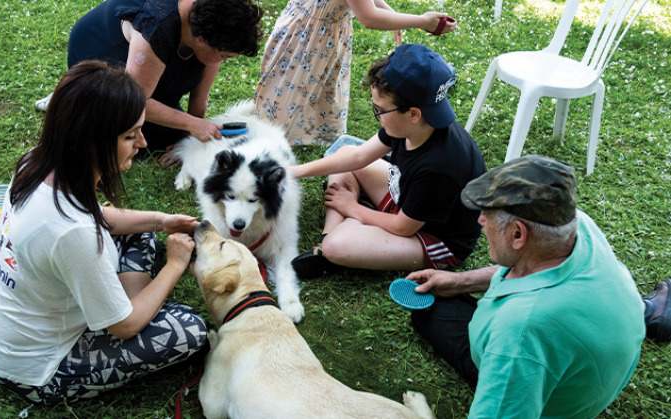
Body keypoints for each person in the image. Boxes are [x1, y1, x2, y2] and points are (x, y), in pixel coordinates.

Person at [0, 61, 208, 404]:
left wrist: (162, 219)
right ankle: (126, 303)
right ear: (91, 142)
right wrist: (174, 264)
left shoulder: (36, 162)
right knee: (189, 329)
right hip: (35, 370)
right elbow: (124, 329)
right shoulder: (72, 233)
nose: (142, 143)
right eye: (130, 135)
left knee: (143, 228)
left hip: (4, 324)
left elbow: (96, 215)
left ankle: (122, 301)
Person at [409, 155, 645, 418]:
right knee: (437, 299)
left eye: (487, 215)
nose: (480, 222)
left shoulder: (519, 331)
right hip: (586, 371)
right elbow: (525, 268)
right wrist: (458, 282)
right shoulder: (576, 227)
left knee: (428, 312)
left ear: (518, 234)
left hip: (547, 401)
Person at [290, 44, 485, 279]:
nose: (378, 116)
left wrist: (352, 208)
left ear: (413, 114)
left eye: (380, 110)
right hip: (405, 202)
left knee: (337, 245)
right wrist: (295, 171)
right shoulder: (414, 126)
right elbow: (358, 157)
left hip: (432, 237)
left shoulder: (439, 166)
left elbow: (403, 227)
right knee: (346, 154)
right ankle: (327, 243)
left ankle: (335, 244)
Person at [35, 0, 263, 165]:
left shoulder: (213, 28)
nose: (224, 61)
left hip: (147, 68)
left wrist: (190, 138)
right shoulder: (157, 25)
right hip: (103, 50)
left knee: (169, 136)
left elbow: (199, 97)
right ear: (202, 40)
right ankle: (77, 96)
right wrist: (192, 125)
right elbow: (136, 100)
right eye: (223, 56)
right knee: (119, 137)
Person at [254, 0, 457, 146]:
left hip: (324, 29)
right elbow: (368, 17)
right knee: (291, 86)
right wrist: (423, 21)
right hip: (309, 34)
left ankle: (318, 132)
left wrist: (394, 14)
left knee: (325, 85)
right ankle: (271, 140)